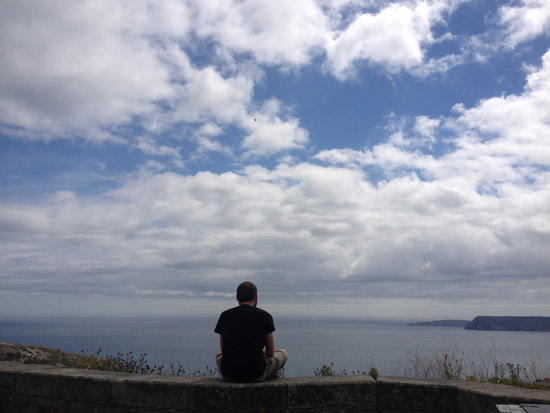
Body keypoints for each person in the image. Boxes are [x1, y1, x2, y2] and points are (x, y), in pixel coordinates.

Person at [214, 281, 288, 382]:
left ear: (237, 297)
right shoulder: (265, 316)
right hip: (256, 374)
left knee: (219, 353)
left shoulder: (225, 316)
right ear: (256, 297)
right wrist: (257, 353)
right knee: (283, 353)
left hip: (229, 375)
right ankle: (272, 381)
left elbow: (224, 350)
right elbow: (270, 352)